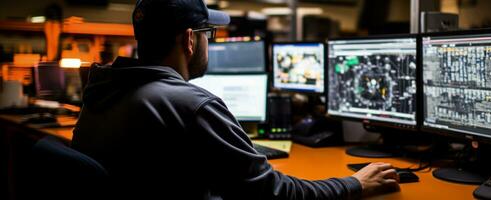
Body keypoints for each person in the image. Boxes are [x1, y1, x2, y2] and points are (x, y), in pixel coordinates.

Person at [71, 0, 399, 199]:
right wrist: (355, 183)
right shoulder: (193, 105)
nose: (208, 44)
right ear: (189, 40)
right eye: (207, 35)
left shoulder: (103, 88)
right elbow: (277, 195)